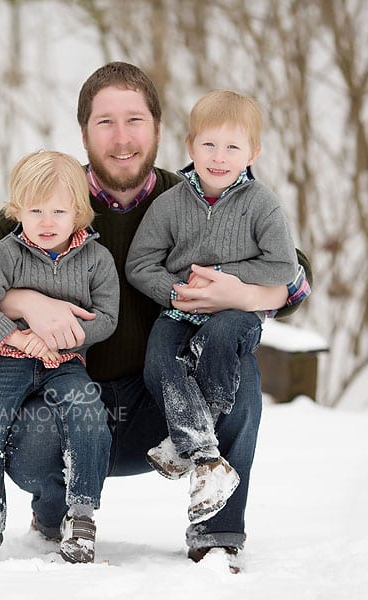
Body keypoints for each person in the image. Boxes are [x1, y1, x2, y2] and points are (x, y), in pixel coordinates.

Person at [0, 62, 311, 567]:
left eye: (135, 120)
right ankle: (54, 514)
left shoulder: (193, 194)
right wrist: (26, 303)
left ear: (159, 129)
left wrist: (242, 294)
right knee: (32, 437)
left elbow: (295, 274)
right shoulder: (51, 202)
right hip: (66, 394)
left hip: (160, 406)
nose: (121, 138)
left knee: (238, 366)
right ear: (84, 132)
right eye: (104, 122)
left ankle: (216, 533)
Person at [125, 90, 300, 527]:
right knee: (159, 361)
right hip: (180, 310)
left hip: (234, 314)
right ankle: (205, 456)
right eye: (209, 145)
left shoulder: (262, 204)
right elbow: (139, 263)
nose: (219, 157)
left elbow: (283, 266)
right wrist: (174, 290)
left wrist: (227, 278)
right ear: (190, 146)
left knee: (220, 344)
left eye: (232, 147)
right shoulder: (170, 205)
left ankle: (184, 444)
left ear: (252, 153)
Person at [0, 150, 119, 564]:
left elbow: (108, 317)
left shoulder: (96, 261)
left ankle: (80, 515)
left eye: (59, 211)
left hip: (67, 363)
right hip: (5, 359)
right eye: (35, 210)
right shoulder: (4, 254)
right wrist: (17, 336)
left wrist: (66, 339)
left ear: (79, 213)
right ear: (17, 211)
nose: (47, 222)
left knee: (89, 416)